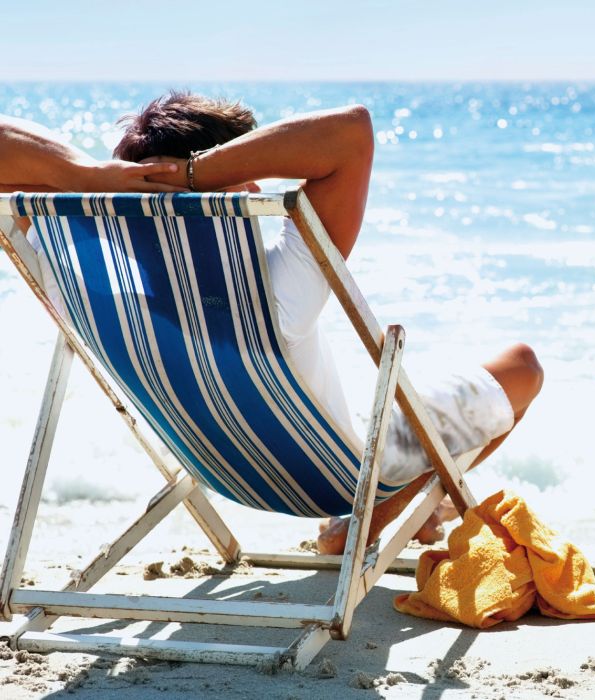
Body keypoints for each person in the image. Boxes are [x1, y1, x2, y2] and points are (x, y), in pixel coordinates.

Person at [0, 92, 544, 553]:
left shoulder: (73, 278)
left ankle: (398, 514)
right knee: (521, 366)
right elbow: (350, 132)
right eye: (245, 176)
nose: (257, 191)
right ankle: (368, 522)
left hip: (222, 473)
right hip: (341, 481)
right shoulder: (275, 295)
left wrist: (91, 177)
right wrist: (195, 177)